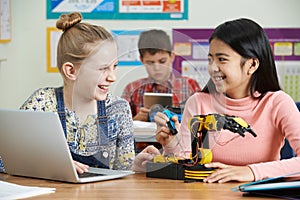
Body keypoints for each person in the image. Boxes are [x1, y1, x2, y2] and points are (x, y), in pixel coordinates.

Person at [134, 18, 300, 182]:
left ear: (252, 65)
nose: (213, 68)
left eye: (222, 59)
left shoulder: (278, 103)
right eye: (210, 59)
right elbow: (188, 166)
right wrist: (170, 145)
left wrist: (251, 171)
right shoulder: (198, 102)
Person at [18, 12, 138, 174]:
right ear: (71, 71)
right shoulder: (41, 103)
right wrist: (47, 163)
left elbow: (124, 169)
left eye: (114, 66)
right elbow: (4, 160)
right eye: (103, 68)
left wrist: (138, 167)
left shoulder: (119, 108)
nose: (113, 77)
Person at [121, 29, 201, 122]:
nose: (157, 68)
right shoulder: (131, 89)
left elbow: (203, 122)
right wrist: (135, 120)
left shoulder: (190, 86)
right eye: (150, 62)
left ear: (172, 56)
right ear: (142, 60)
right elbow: (119, 129)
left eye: (162, 61)